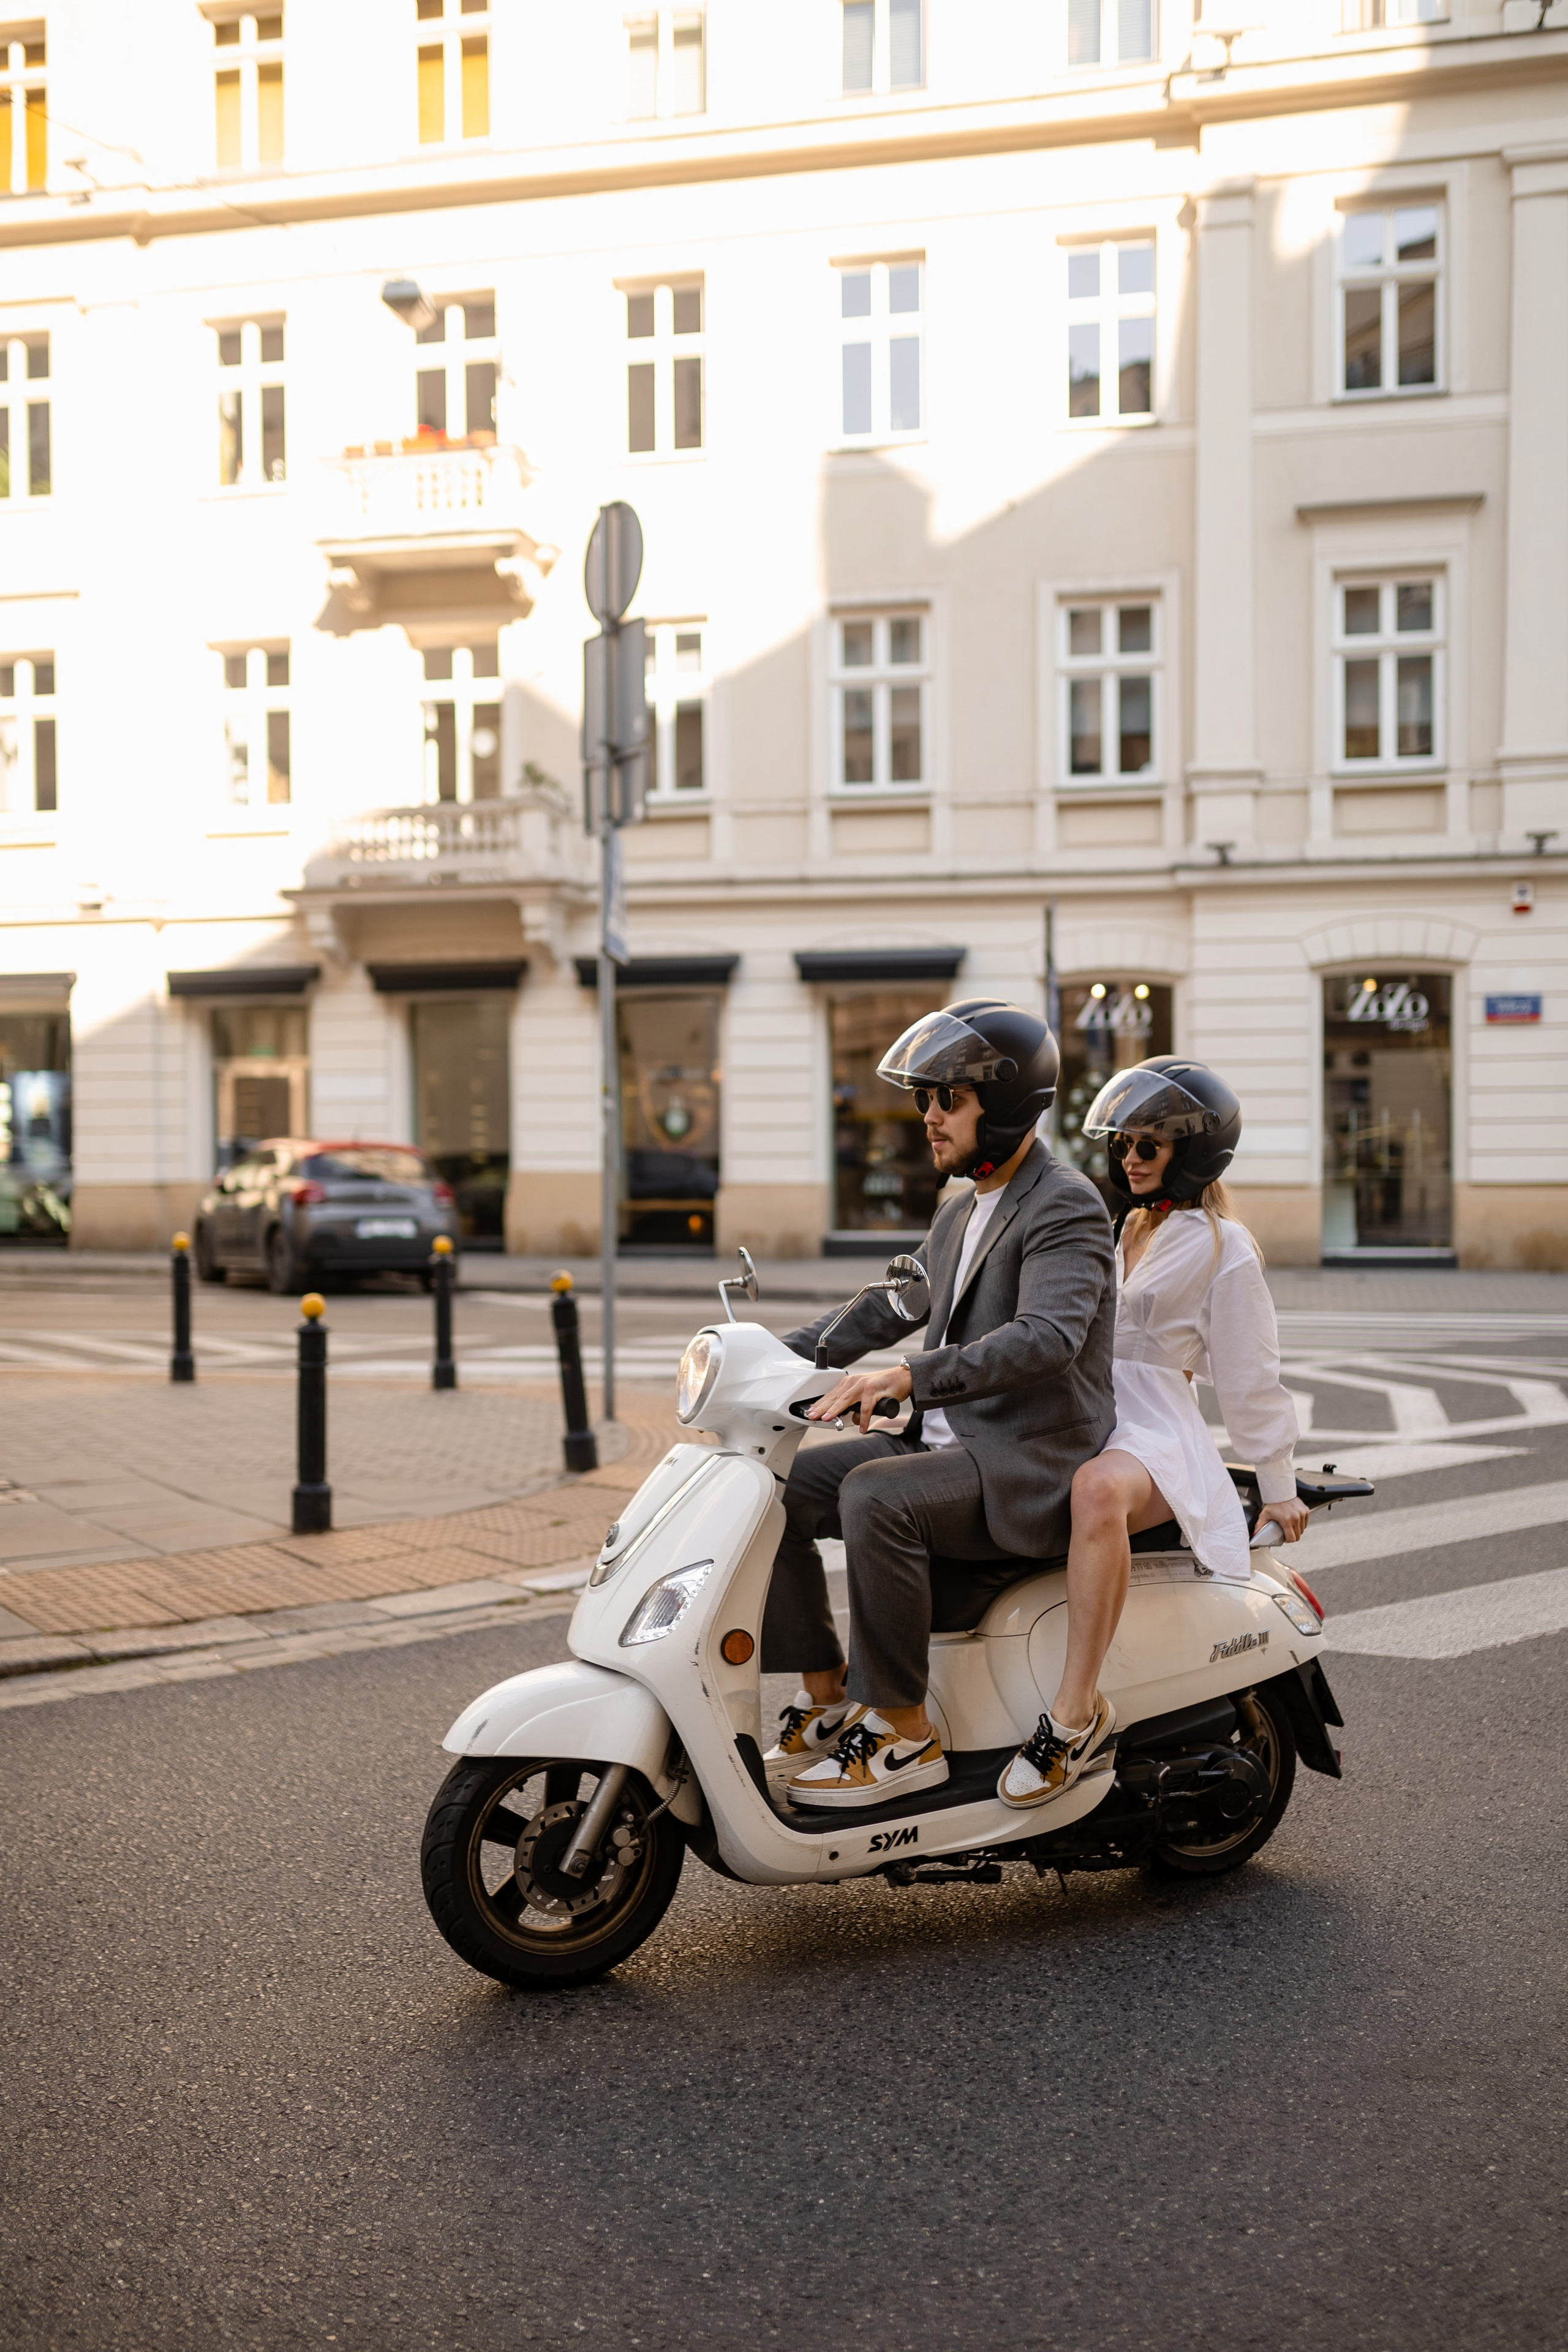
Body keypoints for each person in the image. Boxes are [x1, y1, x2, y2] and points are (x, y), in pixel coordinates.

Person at [758, 998, 1117, 1809]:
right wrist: (761, 1357)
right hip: (950, 1450)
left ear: (1007, 1104)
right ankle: (829, 1689)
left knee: (872, 1493)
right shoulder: (961, 1211)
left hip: (1023, 1464)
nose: (927, 1116)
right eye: (924, 1099)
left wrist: (913, 1378)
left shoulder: (1064, 1203)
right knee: (775, 1493)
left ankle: (901, 1732)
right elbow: (889, 1306)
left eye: (946, 1099)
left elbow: (1047, 1337)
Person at [997, 1055, 1307, 1810]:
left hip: (1155, 1428)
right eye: (1123, 1145)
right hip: (1082, 1408)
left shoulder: (1223, 1248)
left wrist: (1276, 1485)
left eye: (1149, 1146)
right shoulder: (1117, 1226)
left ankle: (1073, 1715)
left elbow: (1248, 1374)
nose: (1129, 1160)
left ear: (1192, 1151)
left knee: (1098, 1492)